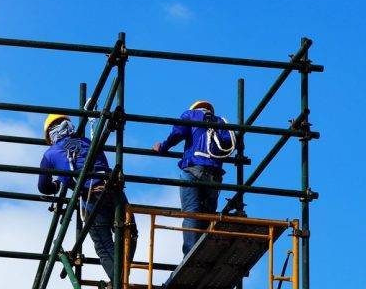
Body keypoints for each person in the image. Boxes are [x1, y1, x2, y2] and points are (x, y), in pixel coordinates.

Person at [38, 114, 138, 282]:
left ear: (49, 135)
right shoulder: (87, 142)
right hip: (113, 189)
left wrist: (57, 185)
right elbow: (102, 164)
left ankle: (119, 281)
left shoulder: (50, 154)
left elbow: (43, 186)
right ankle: (121, 275)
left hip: (91, 196)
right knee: (129, 231)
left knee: (103, 244)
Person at [152, 101, 235, 256]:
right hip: (214, 174)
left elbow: (178, 133)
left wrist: (162, 147)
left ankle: (190, 255)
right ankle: (205, 253)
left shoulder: (190, 115)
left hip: (193, 167)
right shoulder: (221, 122)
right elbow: (230, 143)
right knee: (208, 215)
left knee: (191, 213)